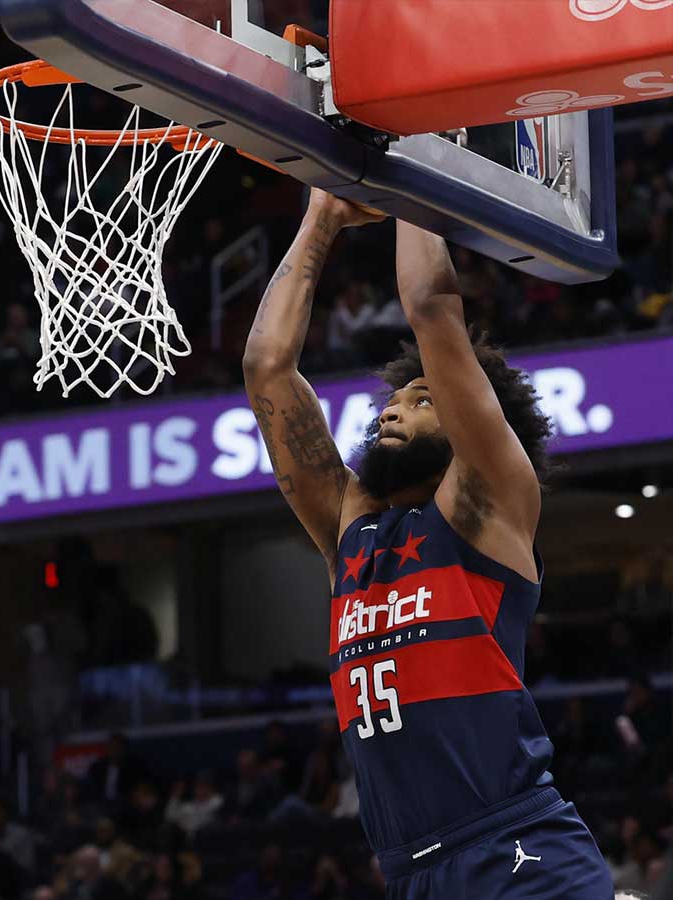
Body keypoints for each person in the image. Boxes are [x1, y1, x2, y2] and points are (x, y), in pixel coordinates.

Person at [241, 190, 613, 896]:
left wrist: (410, 177)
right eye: (394, 397)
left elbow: (432, 308)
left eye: (421, 399)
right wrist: (322, 216)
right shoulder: (351, 527)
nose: (393, 407)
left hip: (515, 849)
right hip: (411, 871)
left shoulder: (490, 499)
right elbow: (267, 369)